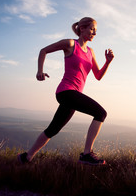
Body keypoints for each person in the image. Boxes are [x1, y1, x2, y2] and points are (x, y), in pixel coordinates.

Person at [18, 17, 114, 166]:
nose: (94, 33)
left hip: (74, 95)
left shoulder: (90, 52)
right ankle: (86, 154)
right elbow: (44, 50)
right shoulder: (70, 44)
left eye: (96, 30)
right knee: (100, 113)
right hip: (66, 91)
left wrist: (107, 62)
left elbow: (98, 76)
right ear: (82, 29)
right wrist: (40, 71)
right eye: (92, 29)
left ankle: (26, 157)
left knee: (53, 129)